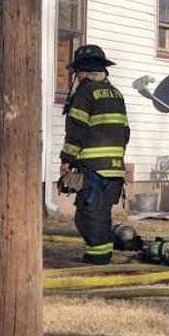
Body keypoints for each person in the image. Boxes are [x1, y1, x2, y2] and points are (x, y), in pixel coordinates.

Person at [59, 45, 130, 265]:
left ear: (82, 71)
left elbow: (76, 130)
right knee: (102, 215)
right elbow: (125, 132)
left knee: (88, 216)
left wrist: (66, 161)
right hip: (115, 170)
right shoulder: (116, 94)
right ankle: (103, 256)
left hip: (93, 169)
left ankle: (96, 261)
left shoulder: (85, 93)